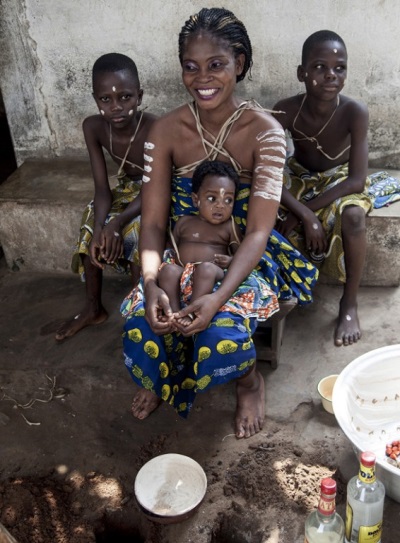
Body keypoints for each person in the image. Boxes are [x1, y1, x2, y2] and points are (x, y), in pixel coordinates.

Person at [121, 7, 318, 439]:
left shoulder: (264, 131)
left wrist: (217, 298)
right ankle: (160, 377)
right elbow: (153, 225)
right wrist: (152, 282)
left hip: (237, 258)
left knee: (218, 333)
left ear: (240, 65)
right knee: (143, 325)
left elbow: (259, 233)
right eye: (191, 68)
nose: (202, 78)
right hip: (176, 255)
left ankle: (249, 383)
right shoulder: (166, 130)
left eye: (217, 65)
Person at [273, 30, 373, 348]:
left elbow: (357, 180)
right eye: (319, 67)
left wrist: (310, 211)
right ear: (302, 73)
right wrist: (303, 213)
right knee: (260, 207)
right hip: (301, 177)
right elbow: (267, 171)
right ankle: (279, 290)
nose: (331, 75)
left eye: (339, 67)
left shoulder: (354, 112)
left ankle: (349, 302)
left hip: (339, 179)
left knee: (355, 216)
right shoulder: (286, 110)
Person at [55, 53, 156, 341]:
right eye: (106, 100)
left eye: (125, 97)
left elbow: (154, 186)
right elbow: (102, 189)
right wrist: (101, 227)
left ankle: (141, 314)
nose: (116, 107)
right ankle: (92, 308)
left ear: (139, 96)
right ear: (95, 99)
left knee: (137, 230)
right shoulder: (93, 128)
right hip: (127, 190)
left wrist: (117, 223)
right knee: (90, 221)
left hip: (158, 190)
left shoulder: (155, 127)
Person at [158, 159, 246, 325]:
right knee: (168, 270)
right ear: (195, 200)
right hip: (183, 274)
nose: (220, 206)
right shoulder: (184, 222)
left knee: (206, 268)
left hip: (212, 277)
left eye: (228, 200)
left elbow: (242, 256)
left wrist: (230, 261)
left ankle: (193, 310)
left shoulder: (229, 227)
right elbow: (170, 250)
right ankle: (175, 312)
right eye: (212, 198)